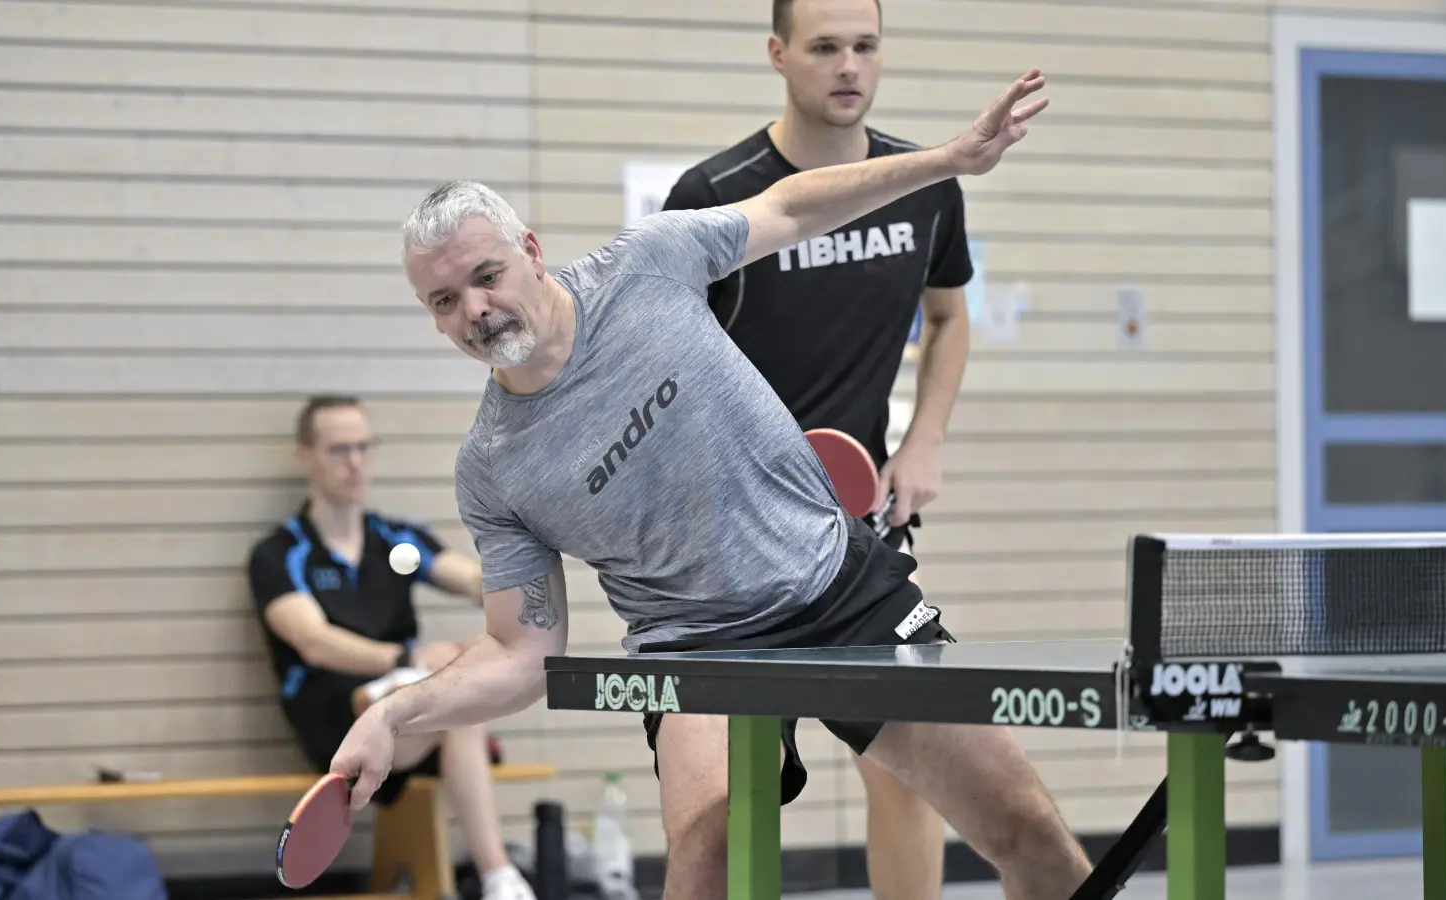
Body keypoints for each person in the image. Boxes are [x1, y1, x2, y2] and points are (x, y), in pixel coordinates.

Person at [332, 67, 1095, 900]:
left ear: (531, 252)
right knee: (706, 856)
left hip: (838, 584)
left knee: (1028, 831)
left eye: (485, 276)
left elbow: (793, 207)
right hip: (694, 646)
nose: (473, 311)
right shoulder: (492, 466)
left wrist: (949, 158)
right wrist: (394, 712)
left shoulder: (647, 266)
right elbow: (521, 653)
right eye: (443, 301)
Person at [660, 0, 970, 894]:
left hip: (864, 534)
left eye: (865, 46)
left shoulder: (924, 184)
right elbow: (663, 365)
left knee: (911, 773)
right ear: (778, 54)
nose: (848, 66)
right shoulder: (716, 197)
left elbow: (949, 318)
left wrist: (924, 442)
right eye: (825, 46)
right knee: (735, 799)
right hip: (736, 551)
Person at [246, 395, 534, 900]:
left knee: (460, 694)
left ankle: (499, 879)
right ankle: (499, 875)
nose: (355, 462)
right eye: (339, 449)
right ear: (305, 456)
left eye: (363, 447)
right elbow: (314, 642)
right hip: (332, 716)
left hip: (408, 712)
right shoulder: (279, 554)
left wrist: (521, 579)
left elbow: (472, 580)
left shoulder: (396, 542)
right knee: (444, 686)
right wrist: (404, 661)